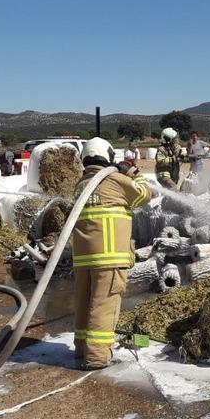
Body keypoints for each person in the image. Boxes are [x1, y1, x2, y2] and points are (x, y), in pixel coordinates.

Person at [72, 137, 154, 370]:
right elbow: (145, 195)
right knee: (103, 305)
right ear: (107, 156)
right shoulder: (115, 181)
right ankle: (97, 356)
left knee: (84, 303)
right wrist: (133, 172)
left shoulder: (81, 185)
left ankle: (81, 348)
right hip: (109, 257)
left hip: (83, 258)